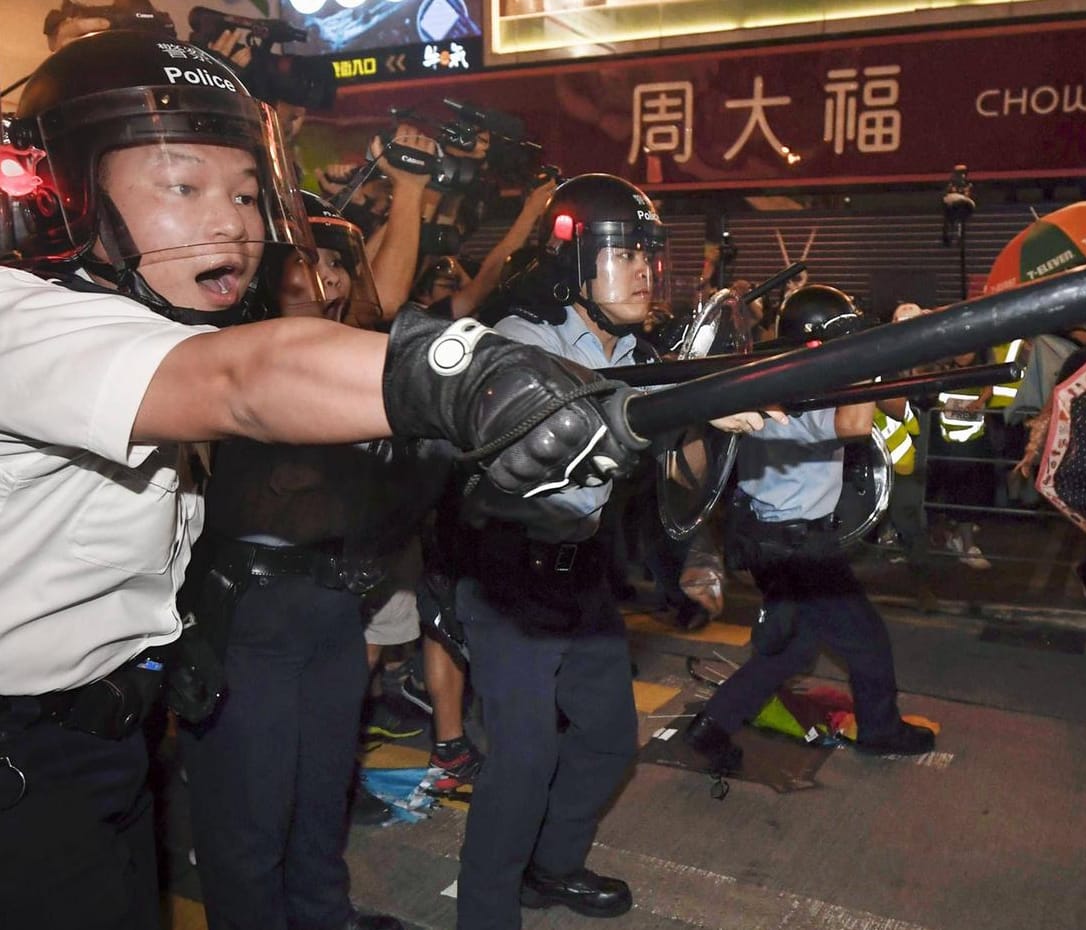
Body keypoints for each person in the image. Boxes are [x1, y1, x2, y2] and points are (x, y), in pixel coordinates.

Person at [0, 33, 645, 929]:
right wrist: (464, 377)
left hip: (107, 725)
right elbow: (245, 380)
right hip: (25, 748)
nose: (227, 220)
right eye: (181, 186)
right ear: (65, 188)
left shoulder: (147, 321)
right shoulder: (19, 314)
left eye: (241, 191)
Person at [443, 174, 769, 930]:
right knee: (520, 764)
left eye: (650, 254)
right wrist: (689, 402)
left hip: (581, 573)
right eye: (624, 252)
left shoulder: (638, 346)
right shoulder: (520, 340)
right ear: (573, 261)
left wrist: (710, 421)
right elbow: (577, 412)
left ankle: (551, 868)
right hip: (506, 576)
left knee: (607, 738)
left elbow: (679, 479)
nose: (645, 271)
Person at [180, 192, 450, 930]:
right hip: (250, 619)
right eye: (307, 263)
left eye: (335, 262)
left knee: (322, 797)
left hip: (333, 611)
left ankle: (325, 918)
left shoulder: (354, 362)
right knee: (250, 821)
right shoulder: (235, 358)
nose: (327, 277)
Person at [684, 285, 938, 774]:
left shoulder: (777, 378)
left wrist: (888, 345)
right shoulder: (799, 398)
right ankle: (882, 729)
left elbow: (894, 406)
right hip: (796, 545)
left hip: (770, 537)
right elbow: (856, 424)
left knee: (790, 650)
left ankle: (711, 727)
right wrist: (865, 353)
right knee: (866, 641)